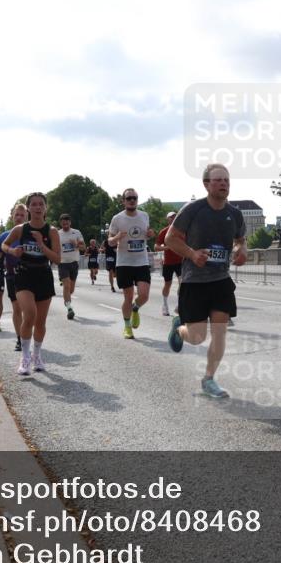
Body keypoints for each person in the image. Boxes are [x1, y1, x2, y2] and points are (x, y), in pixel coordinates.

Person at [165, 164, 246, 397]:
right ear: (206, 184)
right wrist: (192, 254)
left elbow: (241, 239)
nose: (223, 184)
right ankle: (179, 329)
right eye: (218, 180)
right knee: (197, 337)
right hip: (194, 280)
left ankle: (209, 379)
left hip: (221, 279)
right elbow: (171, 239)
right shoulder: (193, 210)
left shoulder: (235, 214)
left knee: (220, 331)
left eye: (226, 180)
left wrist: (242, 250)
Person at [1, 192, 61, 374]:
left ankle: (37, 355)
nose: (37, 207)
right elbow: (4, 245)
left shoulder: (52, 231)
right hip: (24, 274)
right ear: (28, 208)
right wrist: (12, 251)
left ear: (46, 207)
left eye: (41, 204)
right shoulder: (20, 229)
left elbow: (57, 259)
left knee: (40, 322)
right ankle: (25, 357)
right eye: (33, 204)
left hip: (43, 275)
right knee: (30, 314)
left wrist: (41, 245)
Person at [108, 189, 155, 339]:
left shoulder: (144, 215)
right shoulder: (117, 219)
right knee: (128, 298)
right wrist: (117, 237)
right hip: (124, 263)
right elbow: (110, 241)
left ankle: (136, 308)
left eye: (134, 198)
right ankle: (127, 327)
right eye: (129, 198)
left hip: (141, 261)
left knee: (144, 295)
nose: (132, 200)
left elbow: (147, 234)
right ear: (123, 201)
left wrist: (150, 234)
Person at [0, 204, 28, 351]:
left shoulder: (32, 234)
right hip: (12, 275)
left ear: (27, 217)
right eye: (16, 215)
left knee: (30, 309)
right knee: (17, 308)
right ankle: (19, 339)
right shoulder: (4, 236)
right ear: (12, 217)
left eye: (22, 215)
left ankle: (27, 336)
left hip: (30, 275)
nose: (19, 217)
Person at [57, 214, 86, 320]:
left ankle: (66, 299)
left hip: (74, 263)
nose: (65, 224)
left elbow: (83, 247)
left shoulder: (76, 232)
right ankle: (69, 308)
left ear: (70, 222)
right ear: (61, 223)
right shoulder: (57, 234)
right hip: (62, 263)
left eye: (67, 222)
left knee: (71, 289)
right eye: (63, 222)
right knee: (66, 285)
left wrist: (76, 245)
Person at [154, 211, 183, 316]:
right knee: (168, 284)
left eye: (175, 216)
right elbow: (156, 247)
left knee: (183, 283)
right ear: (168, 219)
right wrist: (167, 247)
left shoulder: (182, 231)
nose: (173, 218)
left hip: (181, 261)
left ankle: (179, 305)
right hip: (168, 262)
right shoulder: (164, 231)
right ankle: (165, 305)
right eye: (171, 217)